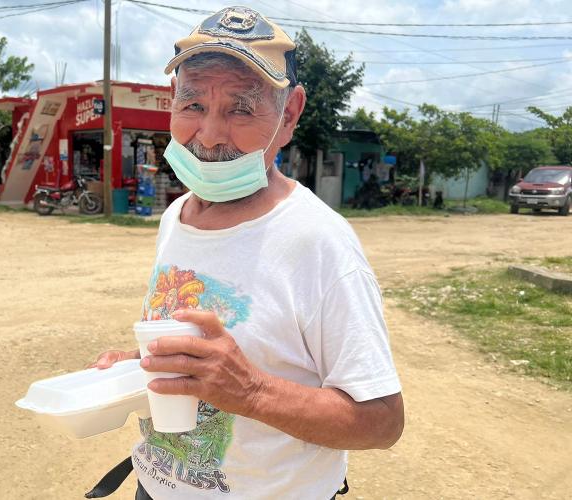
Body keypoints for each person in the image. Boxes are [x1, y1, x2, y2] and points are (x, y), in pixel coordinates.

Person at [88, 6, 404, 500]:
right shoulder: (177, 216)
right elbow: (210, 346)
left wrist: (252, 391)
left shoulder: (319, 241)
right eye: (192, 106)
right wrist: (138, 362)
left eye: (240, 109)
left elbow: (382, 422)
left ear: (289, 114)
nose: (210, 134)